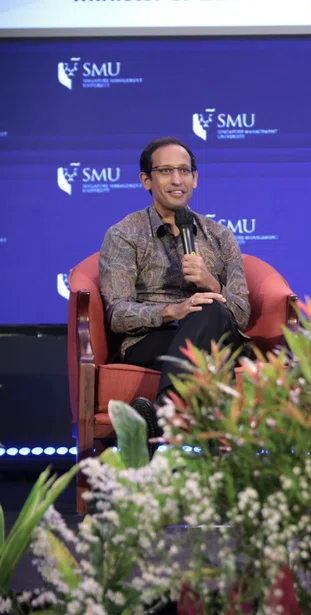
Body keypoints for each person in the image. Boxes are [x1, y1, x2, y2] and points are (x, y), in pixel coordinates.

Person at [98, 137, 250, 438]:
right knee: (207, 322)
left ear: (195, 178)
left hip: (216, 333)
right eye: (166, 171)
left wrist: (210, 282)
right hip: (153, 339)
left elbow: (242, 314)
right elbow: (118, 313)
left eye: (184, 171)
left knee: (209, 307)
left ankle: (162, 412)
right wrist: (172, 311)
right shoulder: (124, 235)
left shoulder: (219, 236)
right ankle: (213, 459)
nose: (177, 180)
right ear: (146, 180)